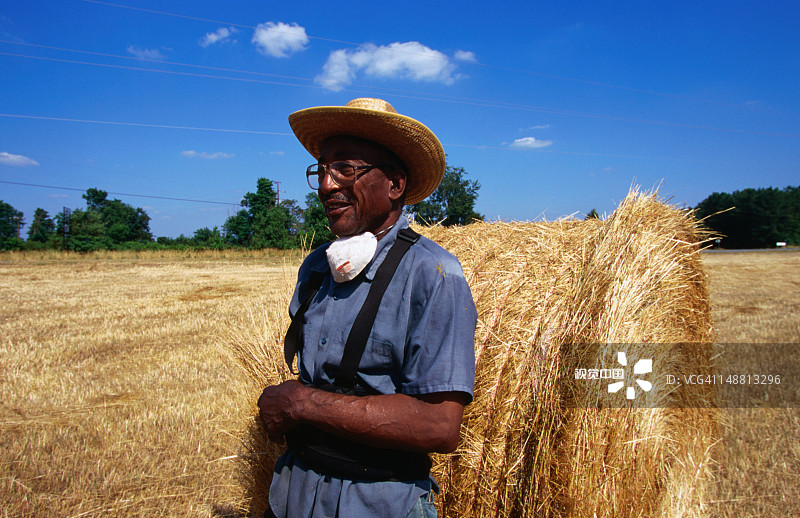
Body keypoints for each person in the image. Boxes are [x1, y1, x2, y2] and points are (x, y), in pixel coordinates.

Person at [257, 98, 477, 518]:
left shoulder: (434, 275)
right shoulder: (317, 267)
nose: (326, 185)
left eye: (346, 169)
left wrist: (299, 404)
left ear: (395, 185)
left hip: (377, 505)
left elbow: (439, 426)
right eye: (321, 170)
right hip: (292, 495)